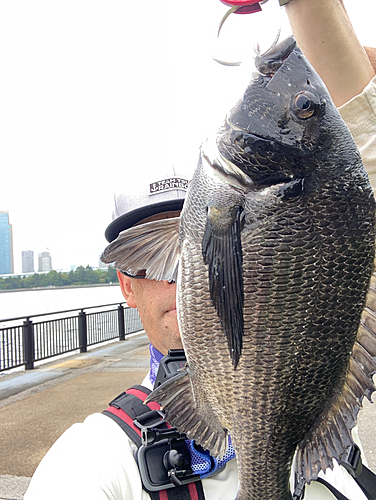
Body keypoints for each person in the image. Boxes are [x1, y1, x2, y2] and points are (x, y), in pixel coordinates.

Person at [24, 1, 376, 499]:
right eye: (154, 254)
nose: (184, 273)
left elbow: (362, 130)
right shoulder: (91, 463)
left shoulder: (324, 455)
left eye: (187, 243)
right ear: (126, 283)